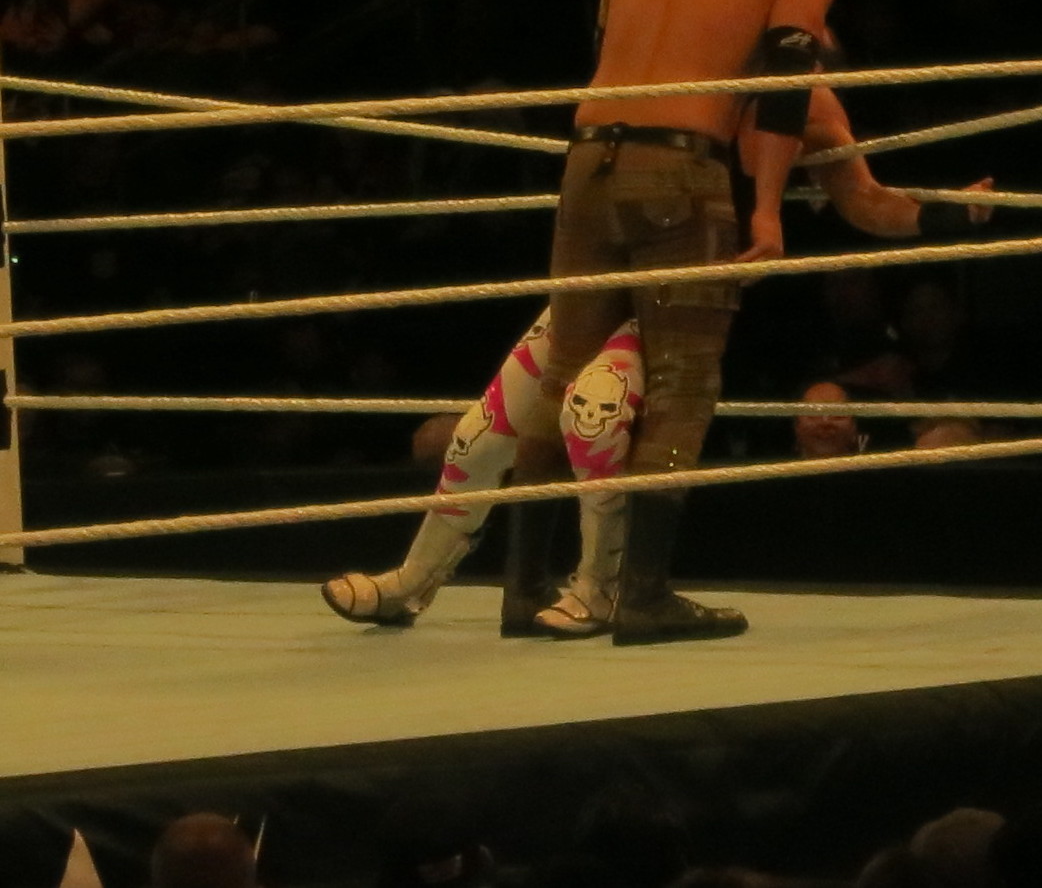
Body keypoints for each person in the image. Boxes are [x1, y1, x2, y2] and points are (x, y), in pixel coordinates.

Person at [321, 80, 991, 638]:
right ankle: (413, 582)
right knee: (480, 434)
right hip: (608, 273)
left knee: (592, 412)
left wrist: (948, 218)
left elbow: (864, 199)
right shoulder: (670, 69)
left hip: (681, 294)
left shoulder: (803, 103)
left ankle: (597, 589)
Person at [503, 0, 836, 645]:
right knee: (682, 382)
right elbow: (784, 88)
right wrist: (767, 212)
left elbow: (608, 37)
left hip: (587, 157)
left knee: (561, 372)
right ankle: (644, 593)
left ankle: (521, 589)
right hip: (679, 168)